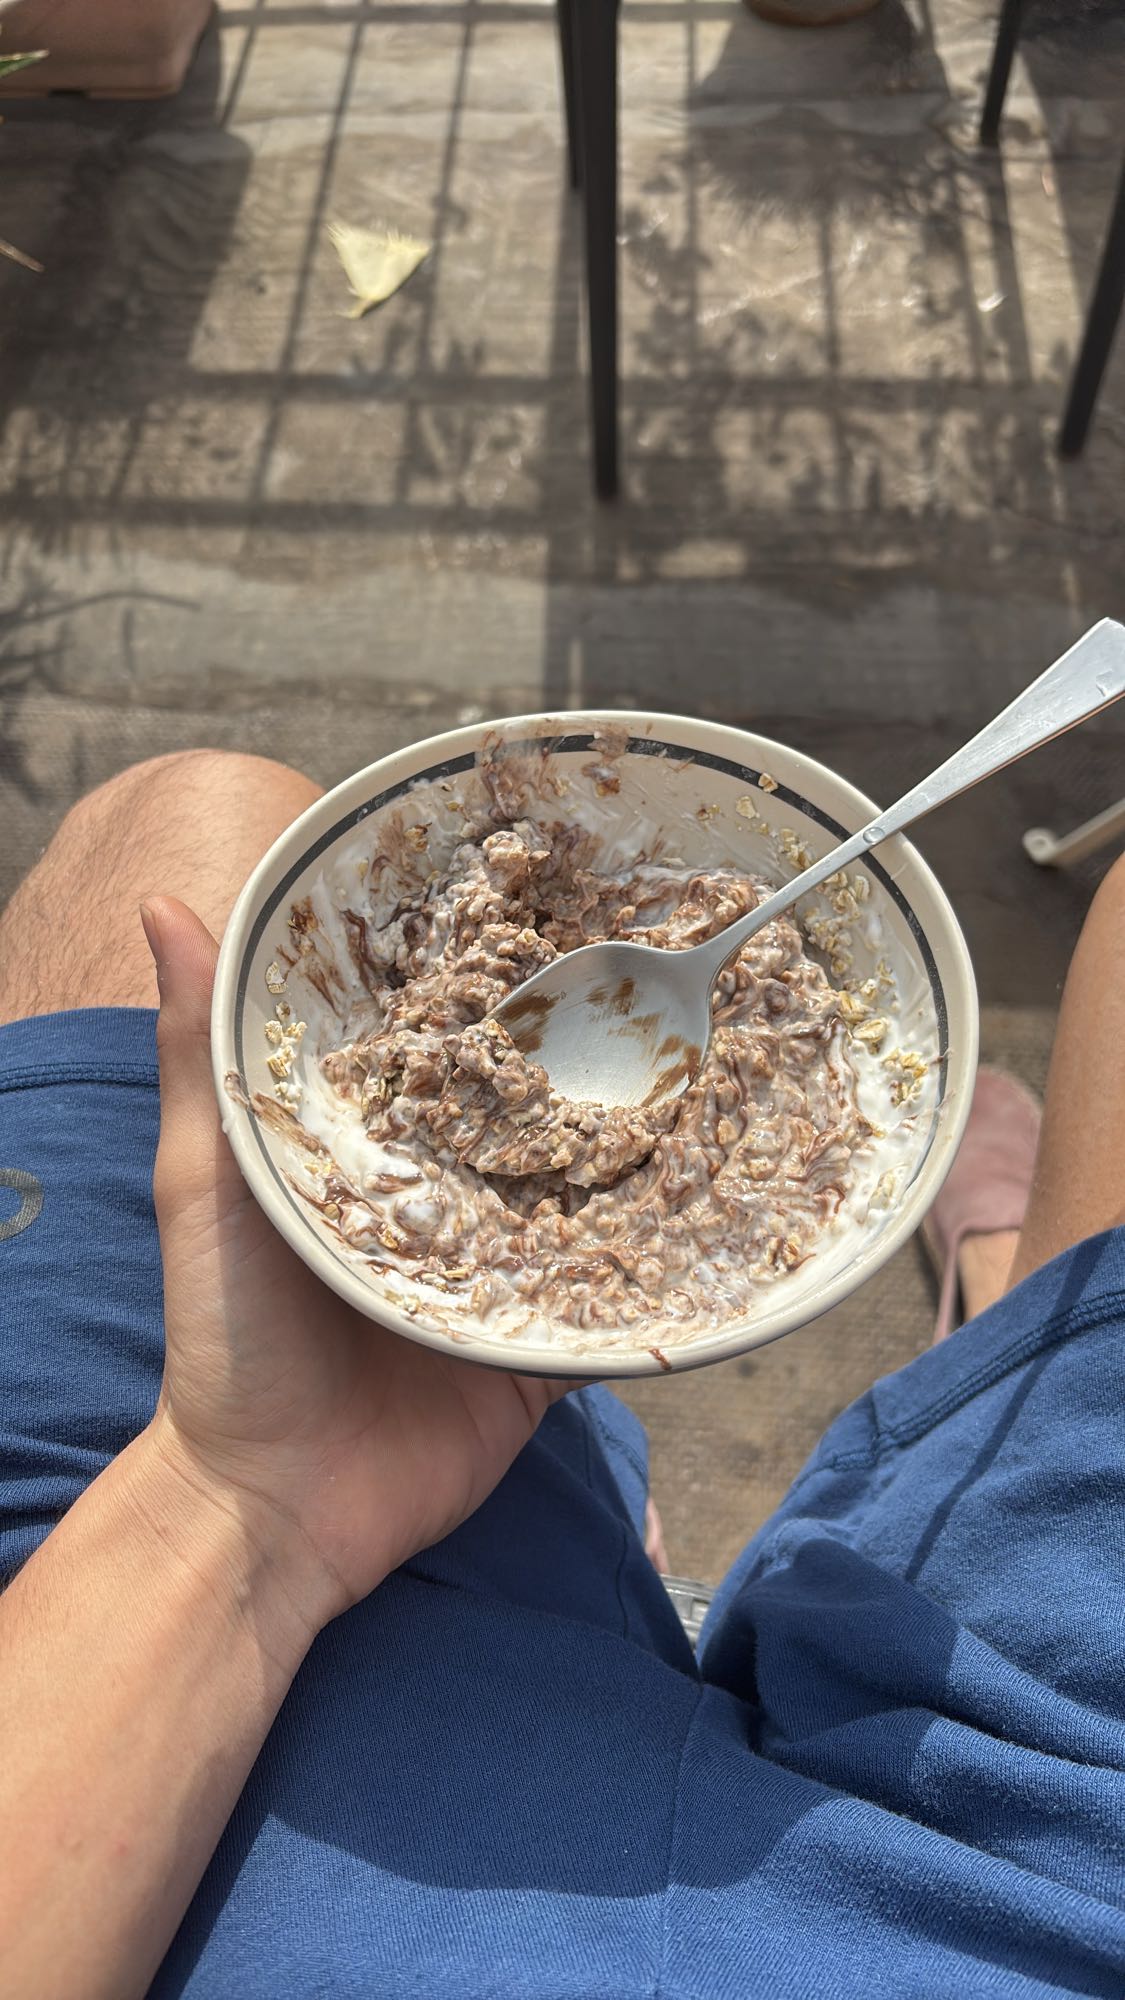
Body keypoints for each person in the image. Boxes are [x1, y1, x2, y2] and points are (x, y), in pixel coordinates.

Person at [2, 748, 1124, 2000]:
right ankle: (990, 1300)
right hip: (1036, 1889)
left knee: (191, 809)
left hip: (157, 1679)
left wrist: (232, 1496)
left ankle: (657, 1503)